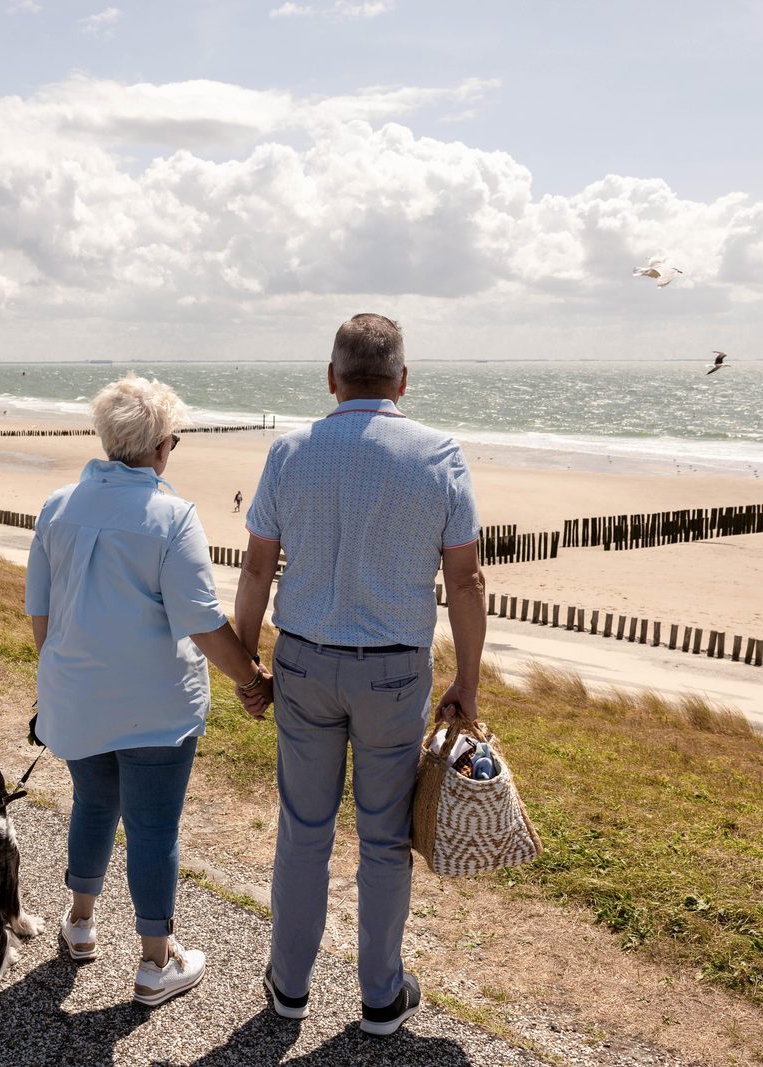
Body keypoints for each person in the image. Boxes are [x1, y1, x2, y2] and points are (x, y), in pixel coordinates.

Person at [234, 313, 486, 1036]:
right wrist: (468, 680)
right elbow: (465, 582)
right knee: (382, 839)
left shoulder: (291, 450)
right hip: (394, 675)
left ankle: (288, 985)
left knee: (304, 830)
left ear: (331, 378)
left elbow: (256, 564)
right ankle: (380, 994)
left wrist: (249, 659)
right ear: (403, 380)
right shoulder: (440, 454)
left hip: (307, 661)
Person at [26, 373, 270, 1006]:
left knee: (93, 804)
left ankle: (80, 924)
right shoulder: (171, 515)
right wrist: (252, 680)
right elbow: (201, 620)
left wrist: (63, 679)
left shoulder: (58, 505)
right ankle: (154, 963)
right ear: (161, 445)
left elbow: (41, 616)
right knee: (154, 828)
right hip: (156, 707)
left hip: (77, 698)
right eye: (175, 439)